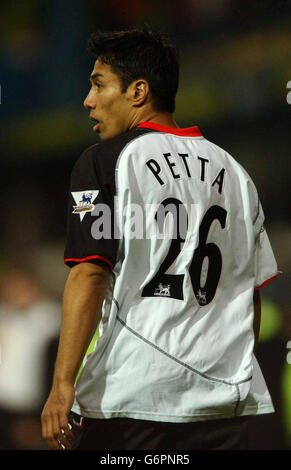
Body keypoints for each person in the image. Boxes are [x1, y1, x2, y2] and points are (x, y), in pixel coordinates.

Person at [41, 25, 279, 451]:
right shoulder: (237, 173)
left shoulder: (103, 162)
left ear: (138, 91)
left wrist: (61, 385)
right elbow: (250, 296)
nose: (88, 100)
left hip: (131, 397)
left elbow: (90, 275)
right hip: (223, 403)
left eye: (98, 85)